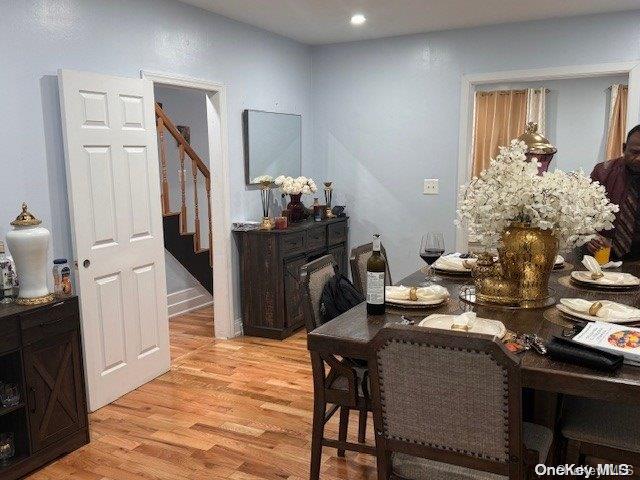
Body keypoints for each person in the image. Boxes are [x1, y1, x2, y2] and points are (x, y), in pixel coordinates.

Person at [587, 125, 640, 260]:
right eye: (635, 152)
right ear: (624, 148)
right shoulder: (602, 172)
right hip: (601, 252)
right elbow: (584, 213)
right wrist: (590, 236)